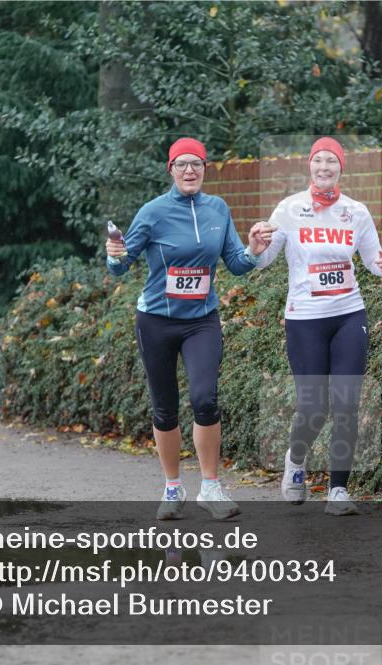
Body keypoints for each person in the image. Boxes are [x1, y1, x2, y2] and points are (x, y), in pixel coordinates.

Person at [105, 137, 270, 521]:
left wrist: (254, 251)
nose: (190, 170)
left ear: (205, 169)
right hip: (156, 321)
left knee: (205, 397)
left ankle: (210, 487)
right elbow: (121, 264)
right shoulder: (153, 212)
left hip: (201, 321)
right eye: (182, 164)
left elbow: (235, 262)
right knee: (164, 407)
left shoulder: (218, 209)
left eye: (196, 164)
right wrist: (112, 255)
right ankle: (172, 488)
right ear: (171, 170)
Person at [252, 137, 382, 515]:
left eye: (332, 161)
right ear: (310, 167)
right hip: (305, 319)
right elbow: (264, 261)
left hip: (349, 312)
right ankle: (295, 461)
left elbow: (371, 257)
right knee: (314, 407)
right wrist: (255, 246)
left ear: (341, 168)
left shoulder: (356, 212)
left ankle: (338, 491)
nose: (325, 167)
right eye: (319, 161)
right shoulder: (289, 209)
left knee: (346, 402)